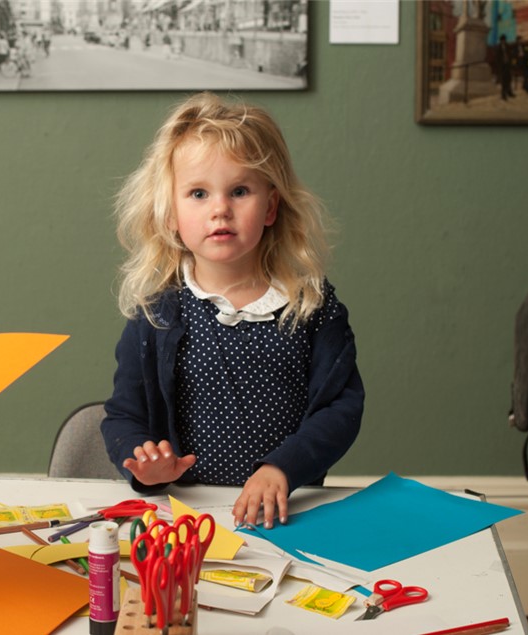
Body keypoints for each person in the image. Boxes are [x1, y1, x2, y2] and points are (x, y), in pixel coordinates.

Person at [101, 92, 364, 530]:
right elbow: (124, 415)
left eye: (239, 191)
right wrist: (142, 462)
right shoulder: (157, 315)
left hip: (286, 513)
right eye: (198, 193)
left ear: (271, 207)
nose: (220, 208)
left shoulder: (312, 306)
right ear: (171, 214)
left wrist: (282, 468)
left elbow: (339, 410)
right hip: (186, 515)